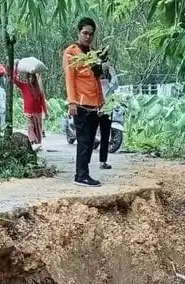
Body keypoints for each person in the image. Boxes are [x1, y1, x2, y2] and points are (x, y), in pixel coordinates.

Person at [63, 17, 105, 186]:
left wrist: (102, 102)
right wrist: (72, 102)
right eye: (85, 33)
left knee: (90, 140)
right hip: (80, 104)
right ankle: (81, 175)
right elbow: (69, 78)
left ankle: (83, 173)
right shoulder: (71, 53)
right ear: (79, 33)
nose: (88, 37)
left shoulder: (92, 54)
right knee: (84, 140)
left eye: (91, 34)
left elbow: (97, 82)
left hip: (94, 104)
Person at [14, 65, 48, 149]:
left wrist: (45, 112)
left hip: (38, 112)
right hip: (28, 112)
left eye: (31, 77)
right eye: (28, 77)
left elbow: (42, 101)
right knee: (30, 127)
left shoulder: (39, 88)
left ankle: (38, 143)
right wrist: (15, 69)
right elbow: (14, 80)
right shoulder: (24, 86)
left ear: (34, 78)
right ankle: (32, 142)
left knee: (38, 129)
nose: (30, 79)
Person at [97, 60, 116, 170]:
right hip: (96, 108)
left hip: (106, 109)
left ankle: (103, 161)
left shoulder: (108, 84)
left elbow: (116, 84)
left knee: (105, 136)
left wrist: (111, 70)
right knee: (92, 137)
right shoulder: (94, 82)